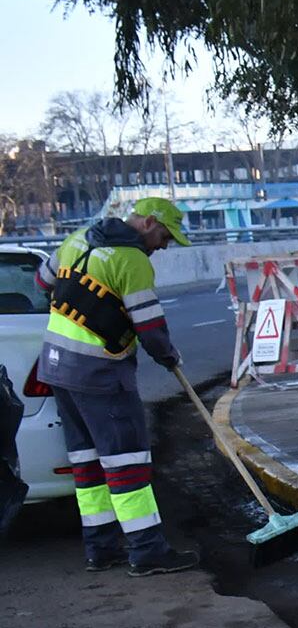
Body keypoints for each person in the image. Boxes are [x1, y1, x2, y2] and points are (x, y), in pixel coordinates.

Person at [33, 198, 198, 575]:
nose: (165, 245)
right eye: (165, 235)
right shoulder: (132, 261)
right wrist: (169, 356)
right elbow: (151, 329)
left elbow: (41, 281)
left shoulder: (76, 239)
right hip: (100, 375)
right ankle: (147, 551)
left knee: (87, 464)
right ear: (148, 222)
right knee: (126, 463)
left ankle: (101, 549)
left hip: (57, 370)